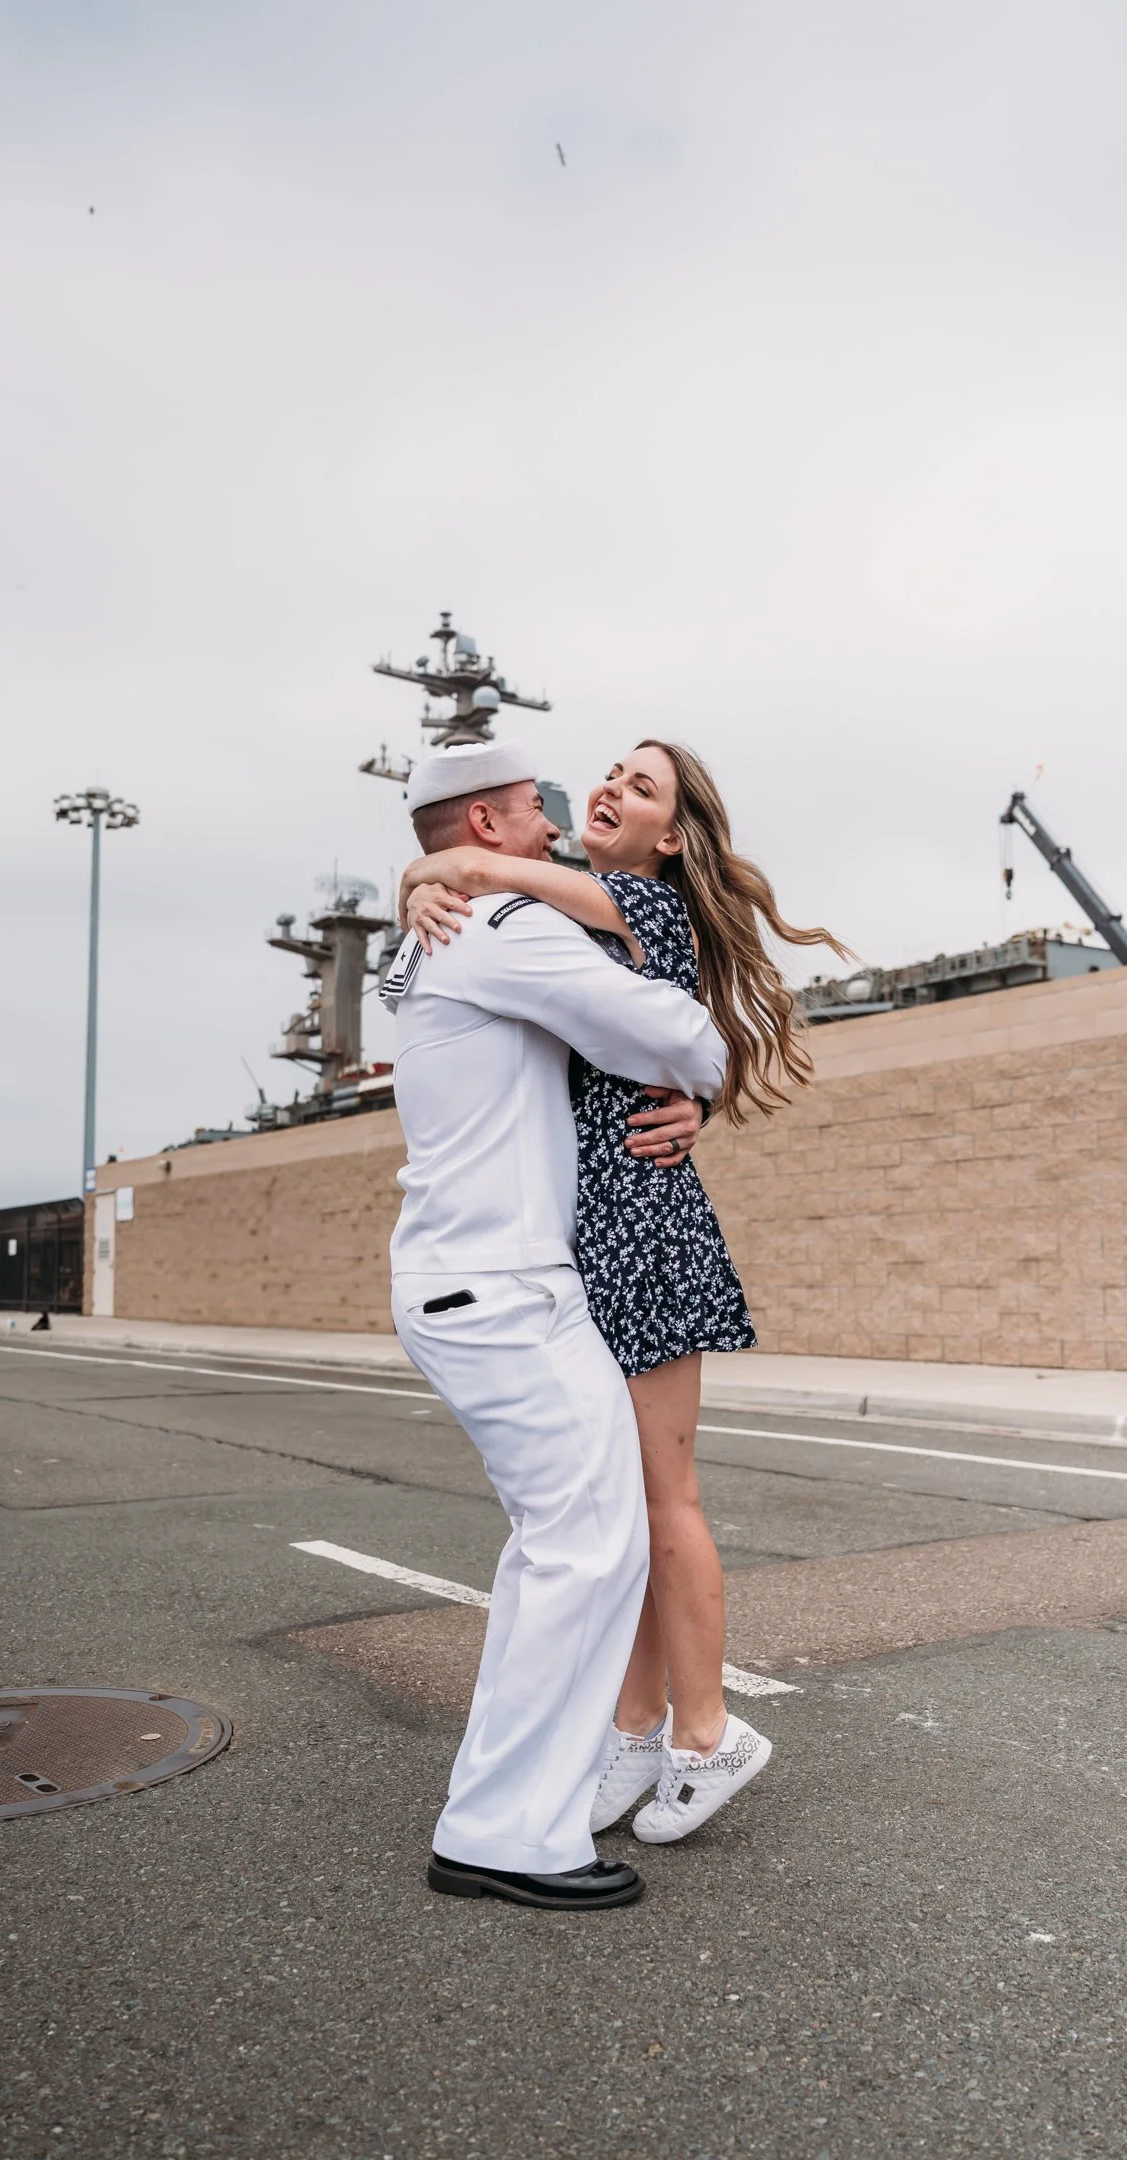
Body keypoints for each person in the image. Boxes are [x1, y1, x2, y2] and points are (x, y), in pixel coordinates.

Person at [403, 739, 849, 1844]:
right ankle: (635, 1729)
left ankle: (707, 1734)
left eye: (639, 788)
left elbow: (533, 883)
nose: (606, 791)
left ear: (672, 837)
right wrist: (434, 875)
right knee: (622, 1505)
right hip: (591, 1229)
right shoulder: (592, 913)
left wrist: (452, 871)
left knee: (659, 1501)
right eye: (609, 771)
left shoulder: (636, 906)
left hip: (640, 1229)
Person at [381, 738, 728, 1913]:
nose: (557, 821)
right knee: (585, 1545)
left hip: (485, 1282)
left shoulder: (436, 925)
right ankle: (505, 1832)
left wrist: (429, 878)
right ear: (485, 824)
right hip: (503, 1285)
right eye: (536, 810)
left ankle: (513, 1808)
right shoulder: (502, 928)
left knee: (568, 1545)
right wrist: (700, 1078)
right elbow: (683, 1035)